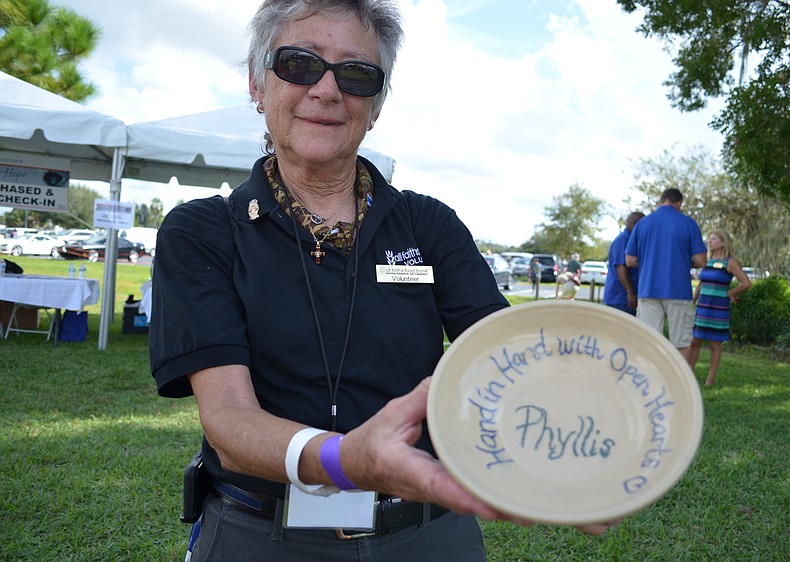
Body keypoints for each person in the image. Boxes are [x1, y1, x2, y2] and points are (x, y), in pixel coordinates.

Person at [149, 2, 613, 560]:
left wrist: (570, 431)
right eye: (299, 63)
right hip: (263, 536)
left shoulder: (429, 224)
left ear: (377, 105)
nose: (327, 90)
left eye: (356, 73)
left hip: (426, 533)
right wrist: (346, 460)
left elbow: (507, 360)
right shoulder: (204, 231)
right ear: (257, 83)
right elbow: (228, 419)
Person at [625, 188, 707, 359]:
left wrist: (649, 260)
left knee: (649, 341)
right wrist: (683, 261)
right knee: (681, 343)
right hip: (678, 290)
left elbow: (630, 260)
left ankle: (651, 375)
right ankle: (679, 376)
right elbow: (701, 261)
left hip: (648, 289)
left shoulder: (643, 224)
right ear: (679, 203)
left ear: (661, 201)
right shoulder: (688, 223)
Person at [687, 229, 751, 385]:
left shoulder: (730, 262)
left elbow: (746, 283)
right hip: (703, 306)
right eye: (709, 239)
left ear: (723, 243)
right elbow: (701, 283)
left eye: (714, 239)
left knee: (714, 343)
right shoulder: (707, 261)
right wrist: (693, 299)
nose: (710, 242)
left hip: (719, 308)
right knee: (695, 341)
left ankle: (710, 379)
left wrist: (730, 293)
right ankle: (689, 375)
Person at [603, 212, 644, 315]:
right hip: (621, 298)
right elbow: (620, 267)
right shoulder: (623, 239)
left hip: (626, 298)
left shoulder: (633, 239)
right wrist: (630, 292)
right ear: (636, 224)